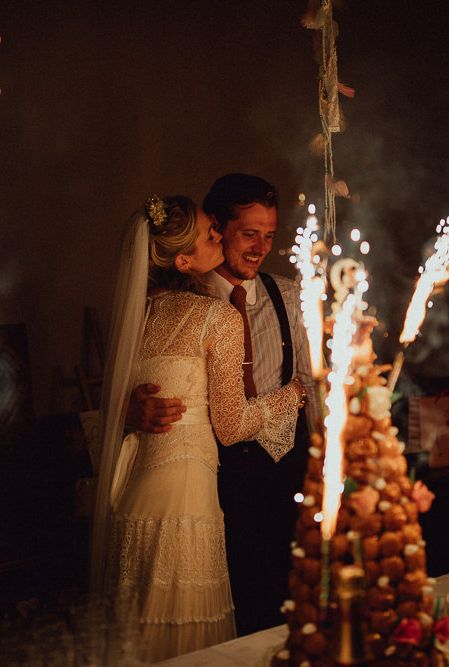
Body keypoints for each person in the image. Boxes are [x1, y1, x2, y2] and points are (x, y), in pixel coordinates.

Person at [90, 195, 306, 662]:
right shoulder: (216, 315)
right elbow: (230, 426)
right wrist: (295, 394)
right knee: (187, 624)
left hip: (136, 491)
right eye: (214, 234)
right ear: (185, 259)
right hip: (189, 492)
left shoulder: (138, 313)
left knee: (139, 617)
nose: (222, 241)